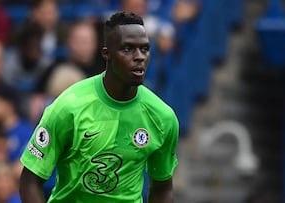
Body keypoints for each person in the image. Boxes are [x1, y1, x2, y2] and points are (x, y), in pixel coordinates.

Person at [19, 11, 179, 203]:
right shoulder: (69, 105)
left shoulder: (163, 118)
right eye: (128, 49)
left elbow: (162, 189)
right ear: (106, 54)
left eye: (144, 49)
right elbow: (30, 181)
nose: (139, 57)